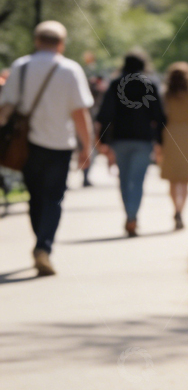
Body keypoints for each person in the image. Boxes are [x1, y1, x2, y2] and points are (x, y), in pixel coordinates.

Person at [0, 20, 94, 275]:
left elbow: (5, 107)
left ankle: (40, 243)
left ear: (37, 41)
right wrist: (86, 146)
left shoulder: (21, 66)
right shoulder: (70, 69)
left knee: (35, 197)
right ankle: (44, 247)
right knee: (54, 198)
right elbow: (79, 113)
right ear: (61, 44)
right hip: (59, 145)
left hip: (26, 144)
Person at [95, 48, 167, 236]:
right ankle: (133, 216)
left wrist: (103, 140)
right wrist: (159, 141)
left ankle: (129, 214)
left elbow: (105, 114)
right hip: (143, 139)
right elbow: (159, 116)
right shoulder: (150, 84)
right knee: (138, 180)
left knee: (124, 180)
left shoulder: (115, 84)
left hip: (120, 139)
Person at [158, 62, 188, 230]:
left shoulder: (165, 94)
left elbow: (161, 116)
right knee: (185, 178)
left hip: (171, 133)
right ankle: (180, 210)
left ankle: (175, 208)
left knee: (173, 177)